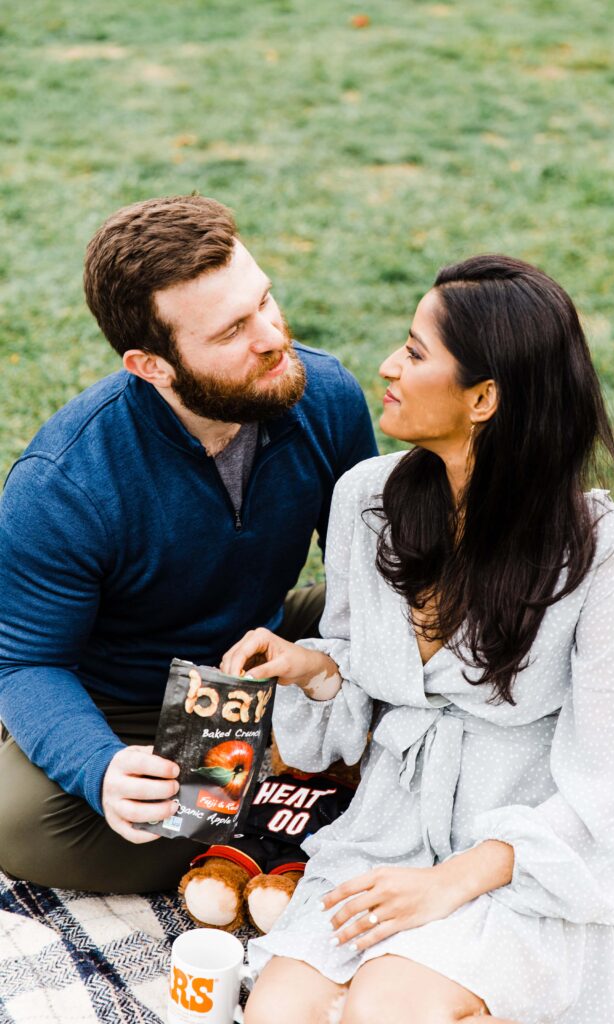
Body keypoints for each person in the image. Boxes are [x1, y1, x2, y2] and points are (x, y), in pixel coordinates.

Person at [221, 255, 614, 1024]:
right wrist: (311, 671)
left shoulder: (602, 554)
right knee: (276, 1015)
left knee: (387, 1011)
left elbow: (597, 786)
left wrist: (449, 883)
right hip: (393, 829)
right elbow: (361, 680)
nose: (388, 365)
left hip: (520, 849)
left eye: (415, 351)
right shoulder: (365, 498)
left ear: (485, 398)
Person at [0, 194, 377, 894]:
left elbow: (365, 577)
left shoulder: (323, 396)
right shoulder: (61, 484)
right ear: (152, 367)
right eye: (233, 330)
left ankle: (280, 788)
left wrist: (329, 660)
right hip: (127, 696)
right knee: (19, 821)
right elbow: (25, 663)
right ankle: (316, 800)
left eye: (264, 301)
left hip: (263, 648)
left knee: (443, 615)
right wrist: (102, 767)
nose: (270, 336)